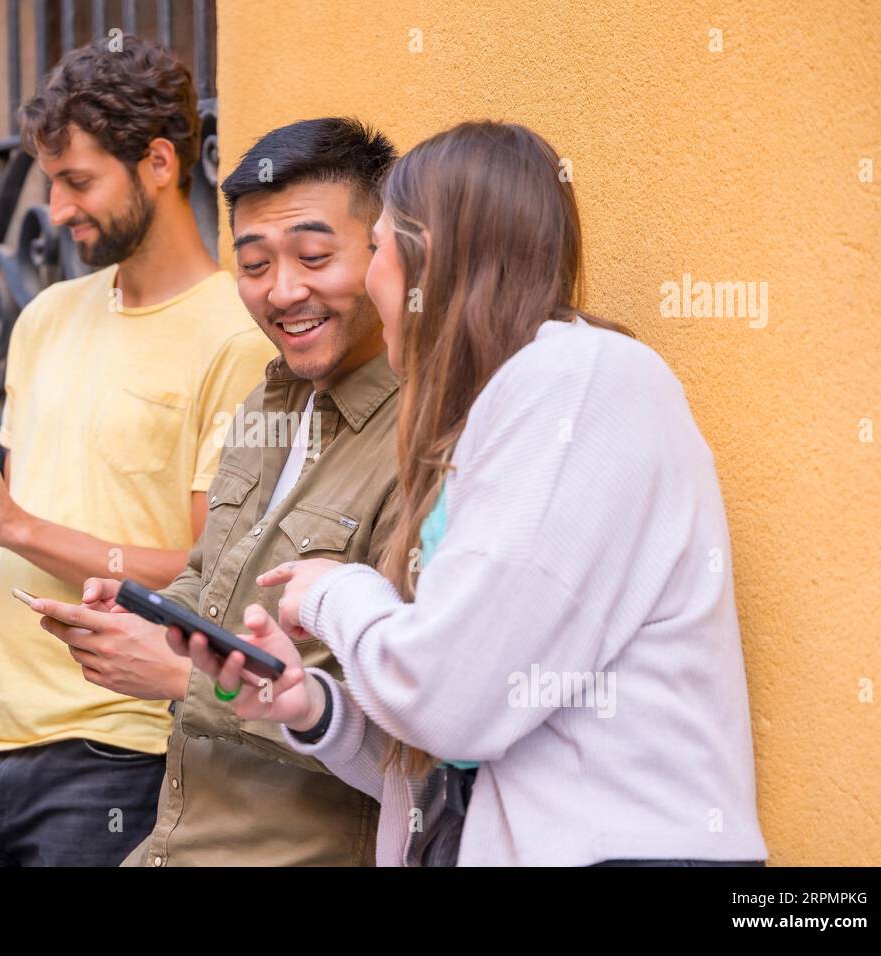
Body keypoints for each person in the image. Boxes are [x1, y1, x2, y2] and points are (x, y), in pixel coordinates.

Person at [175, 120, 770, 867]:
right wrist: (313, 705)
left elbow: (451, 701)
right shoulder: (494, 410)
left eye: (375, 247)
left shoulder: (580, 381)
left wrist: (338, 593)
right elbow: (451, 752)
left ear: (430, 257)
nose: (364, 278)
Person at [0, 35, 274, 866]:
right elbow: (12, 537)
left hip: (117, 751)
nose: (55, 208)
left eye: (79, 181)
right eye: (52, 181)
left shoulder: (236, 337)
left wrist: (11, 522)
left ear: (159, 162)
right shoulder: (44, 316)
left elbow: (208, 572)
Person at [31, 117, 401, 865]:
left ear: (385, 251)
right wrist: (150, 621)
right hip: (171, 844)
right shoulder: (269, 401)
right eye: (256, 264)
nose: (283, 291)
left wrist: (175, 675)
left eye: (315, 256)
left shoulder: (422, 439)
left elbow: (404, 716)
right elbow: (210, 575)